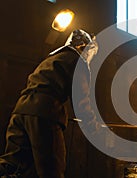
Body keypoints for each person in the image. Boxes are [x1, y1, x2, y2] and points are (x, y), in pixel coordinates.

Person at [0, 29, 98, 178]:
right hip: (44, 114)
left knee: (13, 166)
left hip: (20, 111)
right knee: (52, 171)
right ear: (84, 47)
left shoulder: (52, 58)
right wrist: (96, 129)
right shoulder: (77, 62)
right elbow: (81, 103)